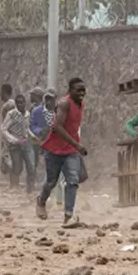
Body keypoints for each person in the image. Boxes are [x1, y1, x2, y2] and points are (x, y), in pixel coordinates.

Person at [36, 78, 89, 226]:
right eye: (78, 90)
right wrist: (77, 144)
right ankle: (41, 201)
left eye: (83, 89)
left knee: (72, 180)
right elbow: (57, 127)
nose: (82, 93)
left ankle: (68, 216)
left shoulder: (81, 104)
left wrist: (76, 146)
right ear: (70, 90)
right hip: (55, 149)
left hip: (71, 150)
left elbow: (73, 126)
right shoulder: (64, 104)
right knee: (51, 181)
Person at [2, 94, 36, 193]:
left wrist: (33, 136)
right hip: (15, 145)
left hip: (26, 143)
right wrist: (13, 140)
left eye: (22, 102)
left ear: (25, 103)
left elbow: (26, 128)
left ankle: (30, 190)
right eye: (18, 103)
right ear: (16, 104)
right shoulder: (11, 114)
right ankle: (14, 187)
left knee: (31, 165)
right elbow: (4, 129)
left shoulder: (27, 114)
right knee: (17, 168)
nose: (21, 104)